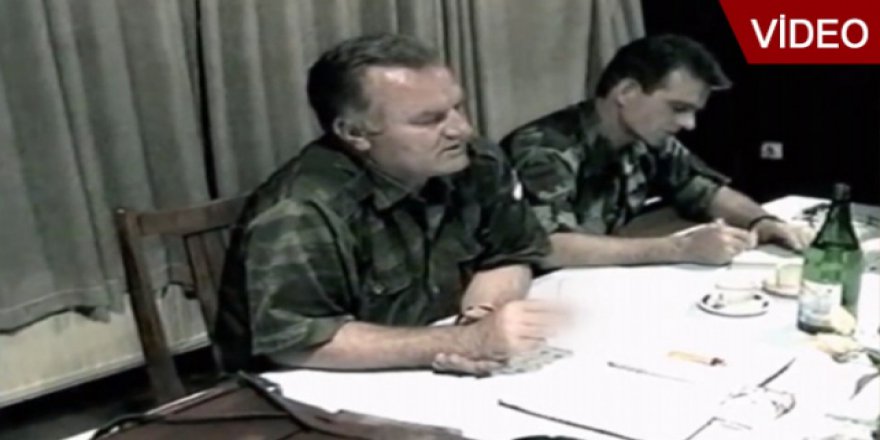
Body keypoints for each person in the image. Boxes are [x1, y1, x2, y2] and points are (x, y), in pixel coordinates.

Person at [215, 34, 561, 377]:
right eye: (429, 120)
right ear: (355, 133)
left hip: (429, 365)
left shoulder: (475, 163)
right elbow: (296, 341)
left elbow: (511, 252)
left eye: (457, 108)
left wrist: (482, 317)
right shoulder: (302, 210)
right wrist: (462, 342)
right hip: (307, 391)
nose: (462, 130)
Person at [500, 34, 812, 268]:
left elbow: (705, 191)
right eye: (678, 108)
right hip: (518, 297)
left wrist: (762, 222)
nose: (689, 124)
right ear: (626, 92)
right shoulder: (543, 147)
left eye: (693, 112)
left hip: (586, 282)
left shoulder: (647, 140)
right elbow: (548, 247)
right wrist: (680, 249)